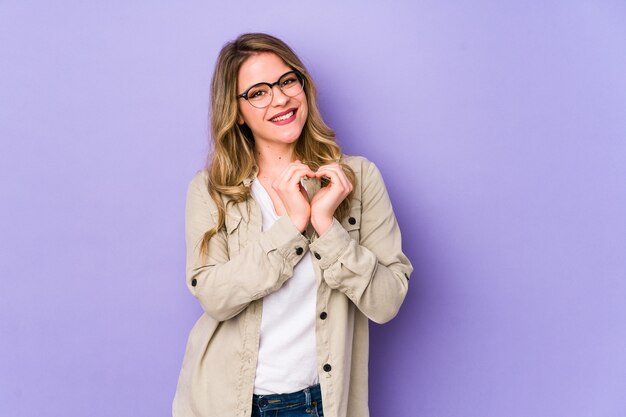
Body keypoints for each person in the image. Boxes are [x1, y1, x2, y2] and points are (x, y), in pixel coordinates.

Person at [173, 33, 413, 417]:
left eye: (287, 81)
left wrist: (325, 226)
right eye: (258, 92)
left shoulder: (358, 178)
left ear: (303, 85)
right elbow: (215, 299)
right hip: (226, 404)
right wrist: (292, 226)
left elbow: (386, 303)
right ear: (236, 111)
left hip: (321, 404)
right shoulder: (211, 190)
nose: (281, 99)